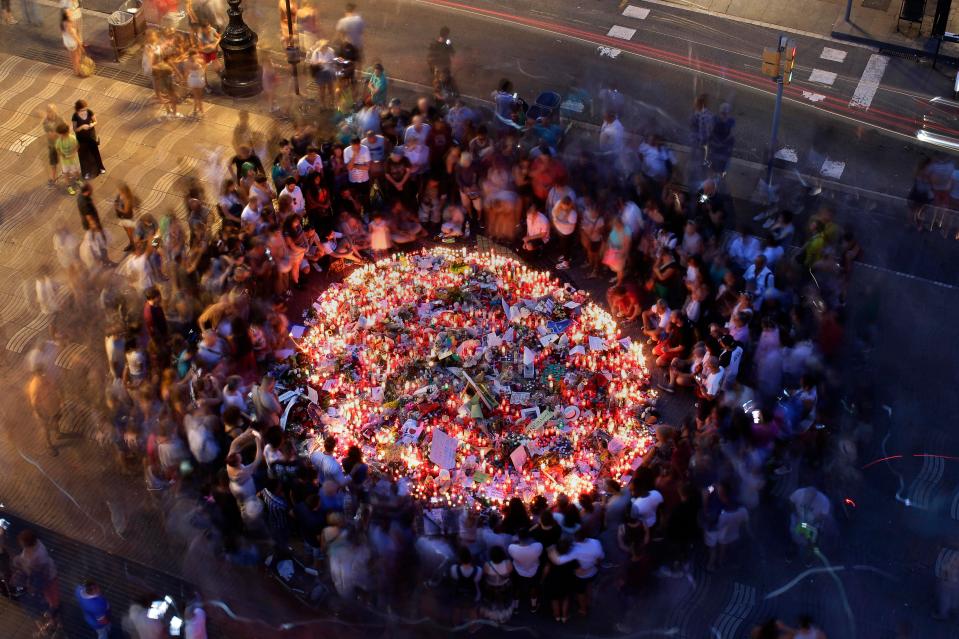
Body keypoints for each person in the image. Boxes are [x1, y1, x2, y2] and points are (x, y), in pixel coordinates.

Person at [11, 530, 59, 617]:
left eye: (21, 542)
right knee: (47, 592)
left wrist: (32, 581)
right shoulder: (33, 547)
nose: (20, 543)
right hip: (42, 574)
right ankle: (51, 603)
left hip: (47, 577)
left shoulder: (39, 555)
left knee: (51, 592)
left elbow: (40, 571)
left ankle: (54, 607)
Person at [42, 104, 67, 187]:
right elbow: (50, 135)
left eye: (52, 111)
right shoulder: (45, 122)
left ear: (55, 111)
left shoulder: (59, 118)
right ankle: (53, 178)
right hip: (52, 145)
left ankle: (67, 173)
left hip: (61, 143)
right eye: (49, 112)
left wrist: (57, 134)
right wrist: (58, 133)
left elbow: (66, 128)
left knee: (65, 159)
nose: (50, 113)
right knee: (53, 162)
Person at [60, 10, 82, 76]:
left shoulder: (62, 23)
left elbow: (62, 33)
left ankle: (75, 70)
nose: (71, 13)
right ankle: (77, 71)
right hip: (72, 42)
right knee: (76, 57)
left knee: (72, 57)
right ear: (66, 16)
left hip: (67, 42)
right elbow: (73, 34)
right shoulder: (68, 23)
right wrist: (79, 42)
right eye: (69, 13)